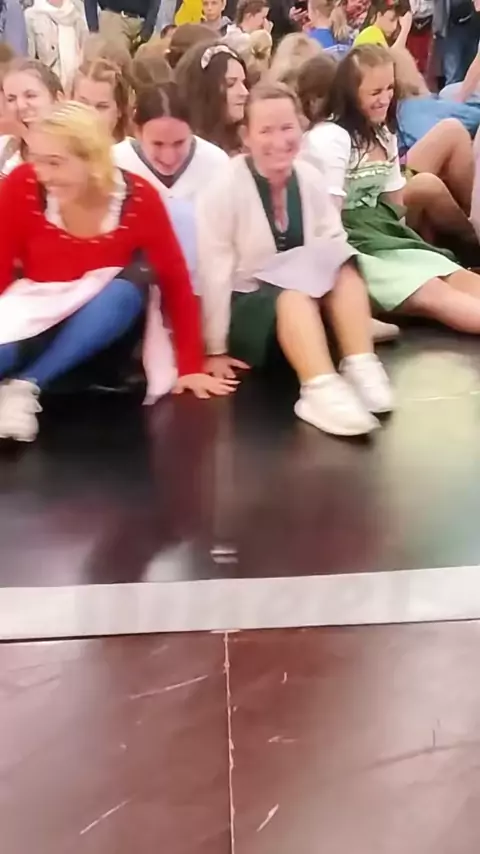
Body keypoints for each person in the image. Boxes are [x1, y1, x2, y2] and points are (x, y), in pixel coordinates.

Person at [0, 101, 235, 442]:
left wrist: (190, 366)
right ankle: (22, 381)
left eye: (55, 162)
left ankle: (26, 385)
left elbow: (175, 281)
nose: (42, 173)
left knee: (127, 287)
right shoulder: (22, 184)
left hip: (105, 333)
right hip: (36, 317)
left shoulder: (138, 199)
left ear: (92, 159)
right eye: (37, 159)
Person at [197, 83, 394, 437]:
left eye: (287, 127)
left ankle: (360, 363)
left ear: (301, 129)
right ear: (246, 136)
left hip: (308, 299)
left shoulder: (309, 177)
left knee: (343, 264)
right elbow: (214, 271)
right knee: (293, 295)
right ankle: (319, 388)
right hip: (250, 306)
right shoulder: (223, 187)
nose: (279, 140)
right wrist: (214, 348)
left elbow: (333, 243)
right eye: (266, 130)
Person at [319, 45, 480, 331]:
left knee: (455, 274)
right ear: (351, 93)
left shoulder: (384, 134)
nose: (385, 99)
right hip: (349, 244)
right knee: (432, 290)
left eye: (390, 89)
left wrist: (410, 242)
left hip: (384, 234)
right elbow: (327, 219)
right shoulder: (332, 137)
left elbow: (395, 206)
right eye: (375, 92)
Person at [175, 42, 248, 155]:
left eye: (244, 83)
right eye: (230, 84)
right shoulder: (187, 151)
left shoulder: (248, 142)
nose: (244, 92)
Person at [0, 57, 63, 176]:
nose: (20, 106)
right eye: (11, 99)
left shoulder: (75, 151)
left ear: (58, 99)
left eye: (30, 96)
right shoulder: (4, 147)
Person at [25, 0, 87, 89]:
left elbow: (85, 51)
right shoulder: (31, 15)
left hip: (77, 85)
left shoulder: (78, 10)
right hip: (48, 85)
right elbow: (30, 60)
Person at [72, 57, 131, 142]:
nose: (91, 115)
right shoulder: (55, 147)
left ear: (119, 110)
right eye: (83, 104)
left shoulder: (133, 150)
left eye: (101, 107)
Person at [84, 0, 161, 54]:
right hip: (114, 18)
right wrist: (93, 28)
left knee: (148, 64)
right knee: (117, 62)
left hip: (141, 22)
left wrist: (149, 26)